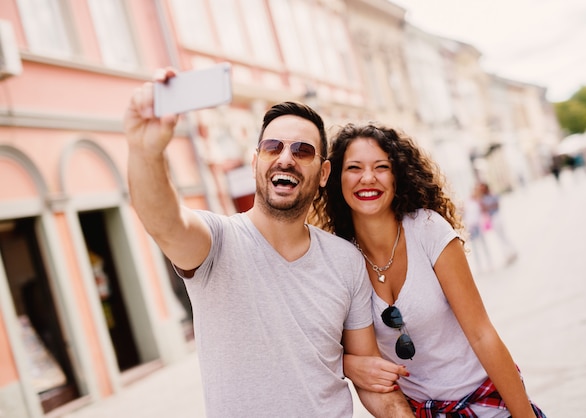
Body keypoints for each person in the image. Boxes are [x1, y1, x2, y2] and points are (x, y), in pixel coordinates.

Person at [123, 69, 413, 418]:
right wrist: (145, 151)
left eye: (303, 150)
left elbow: (371, 378)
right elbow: (165, 223)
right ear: (255, 162)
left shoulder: (345, 260)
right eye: (272, 146)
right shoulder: (217, 244)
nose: (286, 158)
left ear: (323, 174)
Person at [315, 122, 546, 417]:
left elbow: (482, 334)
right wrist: (348, 363)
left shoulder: (427, 228)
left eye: (381, 167)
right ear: (336, 178)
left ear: (398, 175)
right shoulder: (340, 259)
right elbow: (359, 362)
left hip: (483, 402)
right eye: (354, 168)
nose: (368, 178)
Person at [477, 182, 518, 266]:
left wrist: (487, 207)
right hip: (492, 218)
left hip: (497, 216)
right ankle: (507, 254)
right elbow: (483, 209)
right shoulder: (482, 199)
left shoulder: (492, 195)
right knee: (499, 237)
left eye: (482, 188)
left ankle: (512, 250)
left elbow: (496, 205)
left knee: (503, 235)